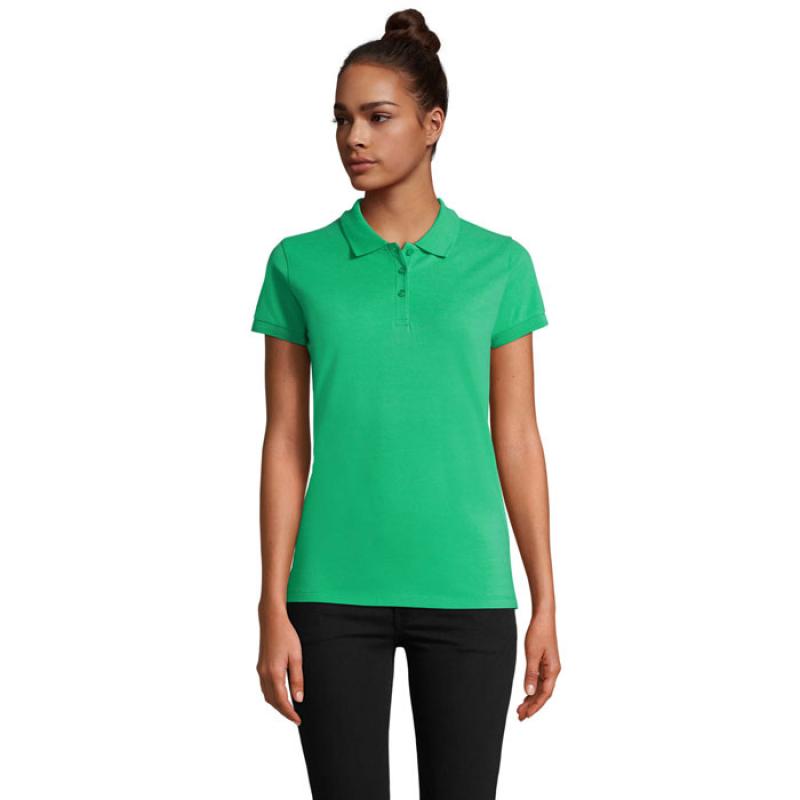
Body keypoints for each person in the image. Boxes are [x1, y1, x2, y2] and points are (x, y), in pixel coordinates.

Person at [251, 9, 560, 799]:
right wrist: (271, 604)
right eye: (341, 119)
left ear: (433, 124)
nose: (353, 137)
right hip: (329, 593)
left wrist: (545, 601)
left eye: (377, 117)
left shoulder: (500, 265)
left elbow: (517, 437)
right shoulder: (298, 263)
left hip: (467, 590)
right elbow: (286, 440)